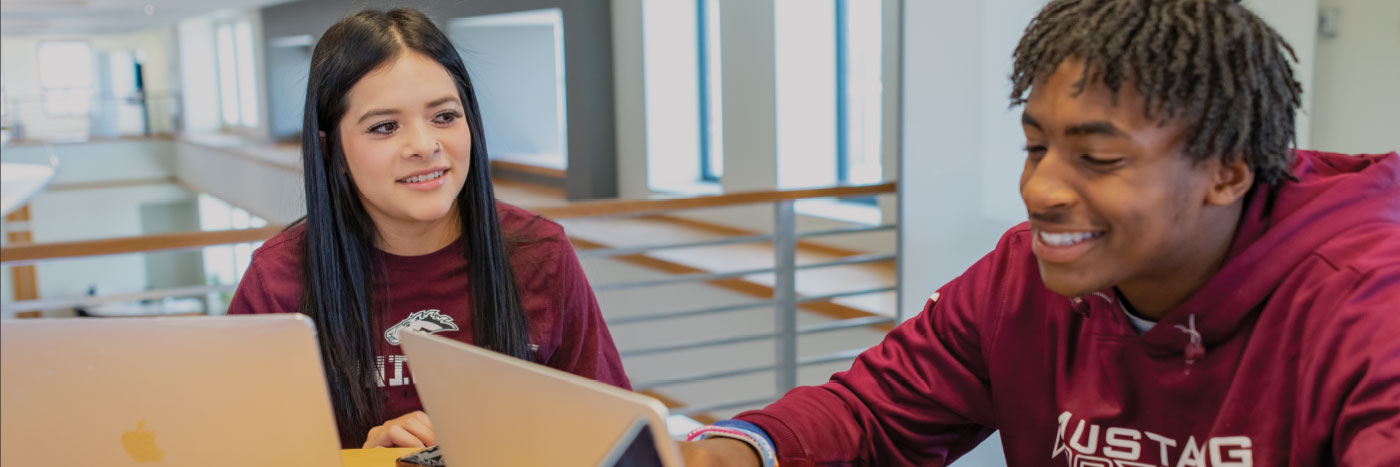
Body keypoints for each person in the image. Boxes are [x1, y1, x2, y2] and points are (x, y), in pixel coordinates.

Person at [682, 0, 1399, 465]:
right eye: (1036, 148)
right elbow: (872, 414)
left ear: (1229, 170)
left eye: (1098, 158)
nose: (1041, 190)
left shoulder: (1368, 306)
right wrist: (742, 451)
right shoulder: (1024, 276)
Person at [227, 8, 628, 449]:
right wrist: (364, 461)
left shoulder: (540, 253)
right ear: (332, 152)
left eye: (444, 117)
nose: (424, 146)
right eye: (384, 127)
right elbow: (239, 449)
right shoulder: (277, 281)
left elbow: (616, 436)